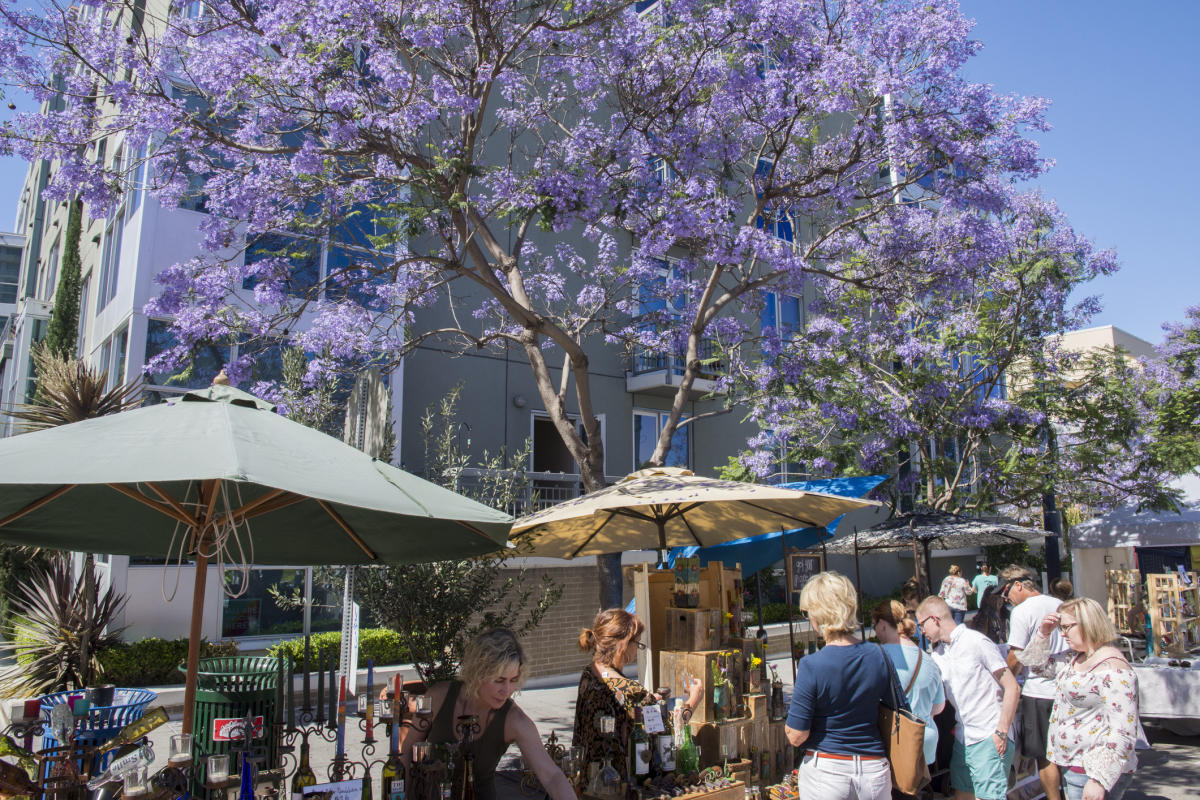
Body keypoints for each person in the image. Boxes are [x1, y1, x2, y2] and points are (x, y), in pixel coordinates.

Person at [401, 629, 575, 800]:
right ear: (478, 673)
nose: (506, 690)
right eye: (499, 680)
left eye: (513, 680)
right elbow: (407, 748)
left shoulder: (513, 720)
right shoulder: (438, 697)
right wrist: (404, 793)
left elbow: (552, 776)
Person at [785, 572, 909, 800]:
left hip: (828, 770)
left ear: (819, 613)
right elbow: (902, 710)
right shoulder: (879, 654)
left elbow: (797, 735)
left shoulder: (812, 664)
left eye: (808, 612)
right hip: (873, 769)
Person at [1016, 597, 1139, 800]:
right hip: (1074, 765)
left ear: (1087, 623)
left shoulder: (1113, 668)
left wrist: (1099, 779)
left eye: (1066, 627)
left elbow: (1123, 730)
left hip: (1090, 769)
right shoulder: (1077, 657)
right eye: (1060, 628)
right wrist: (1043, 632)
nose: (1062, 634)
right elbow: (1032, 663)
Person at [572, 609, 703, 785]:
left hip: (590, 781)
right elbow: (669, 727)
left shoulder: (588, 675)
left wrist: (648, 702)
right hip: (619, 784)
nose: (637, 650)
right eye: (637, 644)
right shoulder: (631, 691)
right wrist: (694, 699)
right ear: (623, 644)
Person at [918, 596, 1020, 800]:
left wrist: (1001, 731)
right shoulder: (938, 654)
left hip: (989, 734)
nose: (921, 631)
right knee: (963, 794)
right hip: (964, 738)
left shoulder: (976, 641)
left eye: (922, 624)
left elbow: (1012, 688)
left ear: (934, 619)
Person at [1000, 564, 1069, 800]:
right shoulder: (1060, 604)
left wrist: (1004, 681)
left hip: (1040, 690)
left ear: (1018, 585)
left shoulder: (1021, 611)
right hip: (1068, 685)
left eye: (1006, 592)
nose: (1006, 598)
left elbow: (1015, 655)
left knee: (1045, 754)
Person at [872, 600, 946, 772]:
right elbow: (938, 707)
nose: (875, 631)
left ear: (882, 625)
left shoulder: (876, 657)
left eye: (874, 625)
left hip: (892, 745)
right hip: (923, 743)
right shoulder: (929, 661)